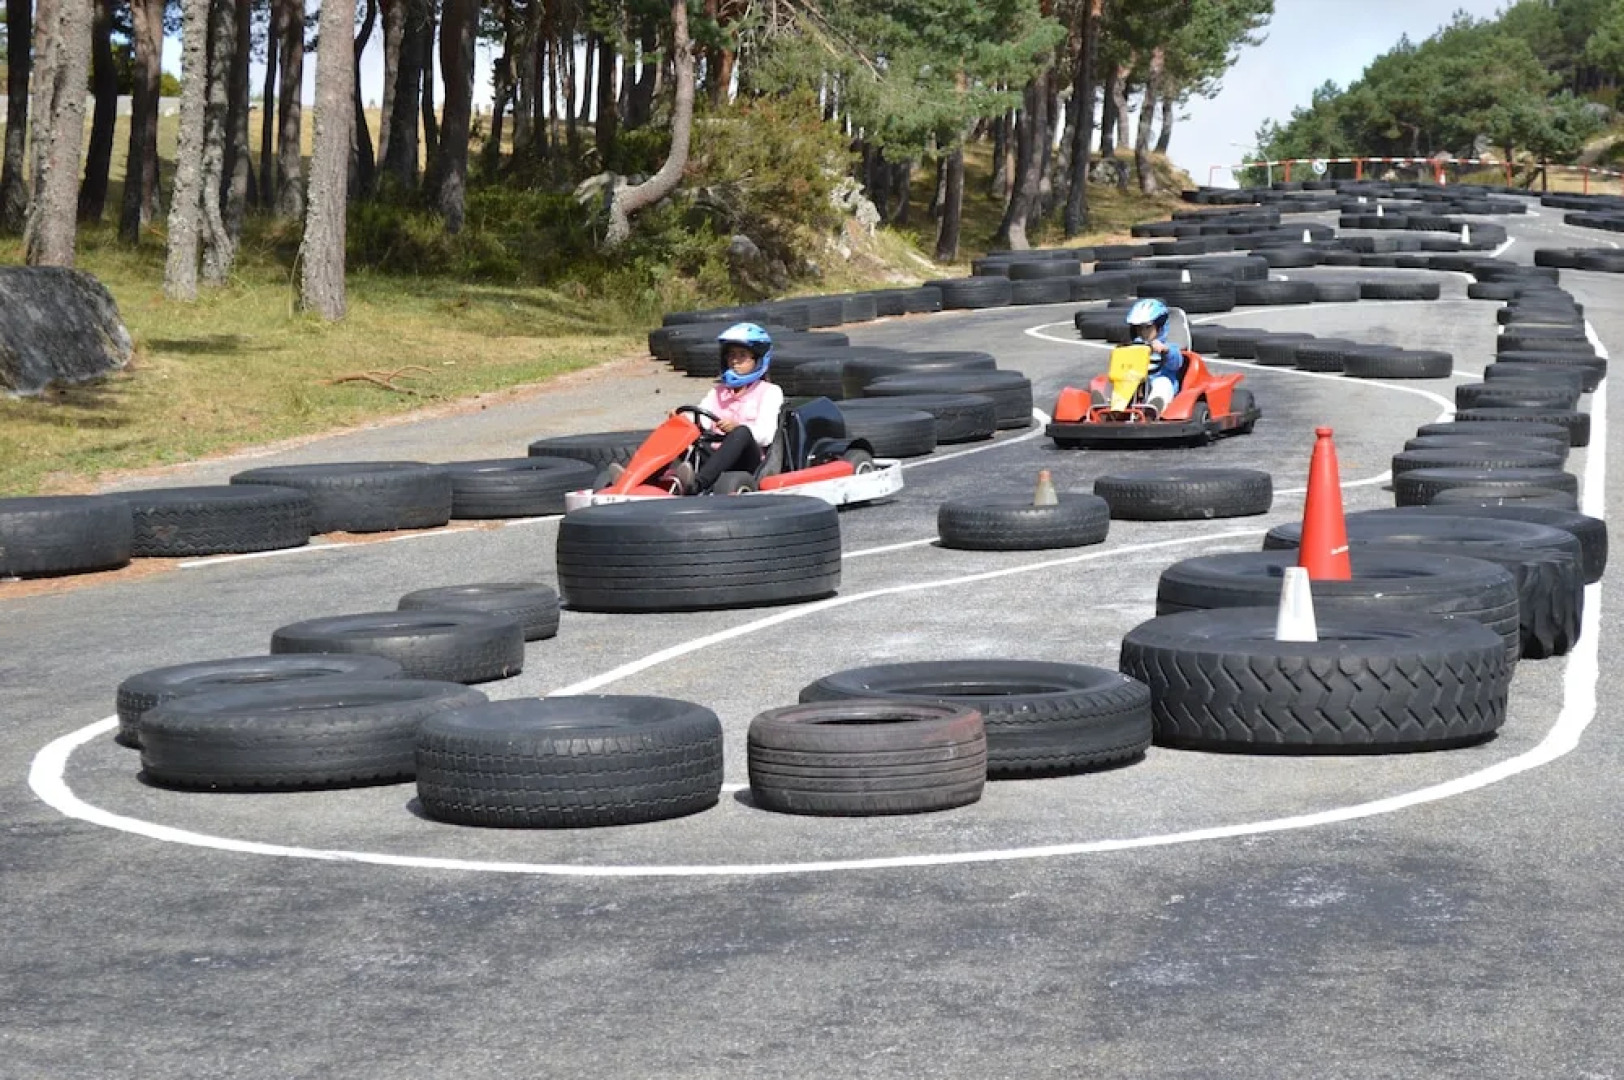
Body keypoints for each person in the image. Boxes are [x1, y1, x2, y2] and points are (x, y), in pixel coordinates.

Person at [669, 322, 785, 494]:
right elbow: (702, 417)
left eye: (742, 355)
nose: (735, 361)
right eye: (731, 355)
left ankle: (696, 485)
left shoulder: (769, 392)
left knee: (741, 432)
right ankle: (646, 479)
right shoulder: (718, 391)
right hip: (715, 457)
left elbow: (766, 435)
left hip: (749, 462)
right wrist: (682, 419)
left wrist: (736, 427)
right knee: (678, 430)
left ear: (757, 360)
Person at [1123, 297, 1185, 418]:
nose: (1142, 332)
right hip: (1135, 382)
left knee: (1162, 384)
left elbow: (1176, 364)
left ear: (1160, 327)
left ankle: (1152, 410)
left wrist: (1165, 351)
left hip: (1158, 382)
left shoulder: (1168, 347)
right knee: (1113, 380)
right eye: (1139, 328)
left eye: (1147, 327)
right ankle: (1107, 407)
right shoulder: (1133, 347)